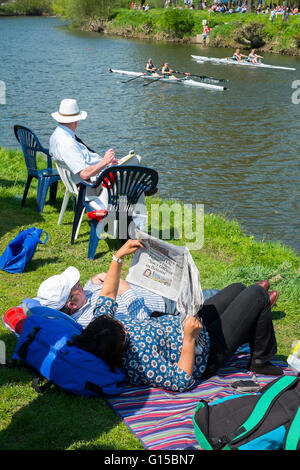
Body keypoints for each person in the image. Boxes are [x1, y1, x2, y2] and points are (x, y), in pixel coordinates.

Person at [71, 239, 283, 393]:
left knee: (237, 288)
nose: (125, 325)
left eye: (121, 323)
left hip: (187, 322)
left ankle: (250, 326)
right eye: (124, 330)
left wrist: (118, 256)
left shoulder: (102, 325)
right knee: (256, 295)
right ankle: (260, 361)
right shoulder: (139, 362)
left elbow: (108, 292)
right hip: (204, 351)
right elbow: (180, 380)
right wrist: (189, 339)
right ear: (120, 346)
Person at [49, 99, 149, 228]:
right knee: (135, 181)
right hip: (91, 185)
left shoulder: (58, 134)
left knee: (134, 160)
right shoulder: (67, 143)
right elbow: (84, 174)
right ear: (76, 120)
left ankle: (142, 190)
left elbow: (82, 162)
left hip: (90, 178)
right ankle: (140, 225)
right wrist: (104, 162)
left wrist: (106, 163)